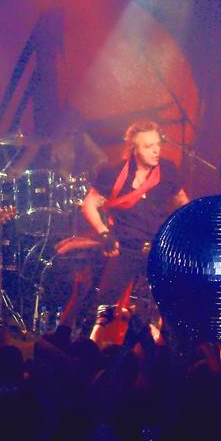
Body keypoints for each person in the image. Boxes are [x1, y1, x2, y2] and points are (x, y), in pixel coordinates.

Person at [81, 120, 190, 341]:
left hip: (158, 248)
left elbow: (182, 201)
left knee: (175, 303)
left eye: (158, 144)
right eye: (149, 146)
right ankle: (90, 348)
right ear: (134, 149)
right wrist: (103, 233)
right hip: (126, 248)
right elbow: (89, 204)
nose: (156, 150)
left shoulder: (167, 170)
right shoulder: (113, 173)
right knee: (105, 306)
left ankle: (166, 350)